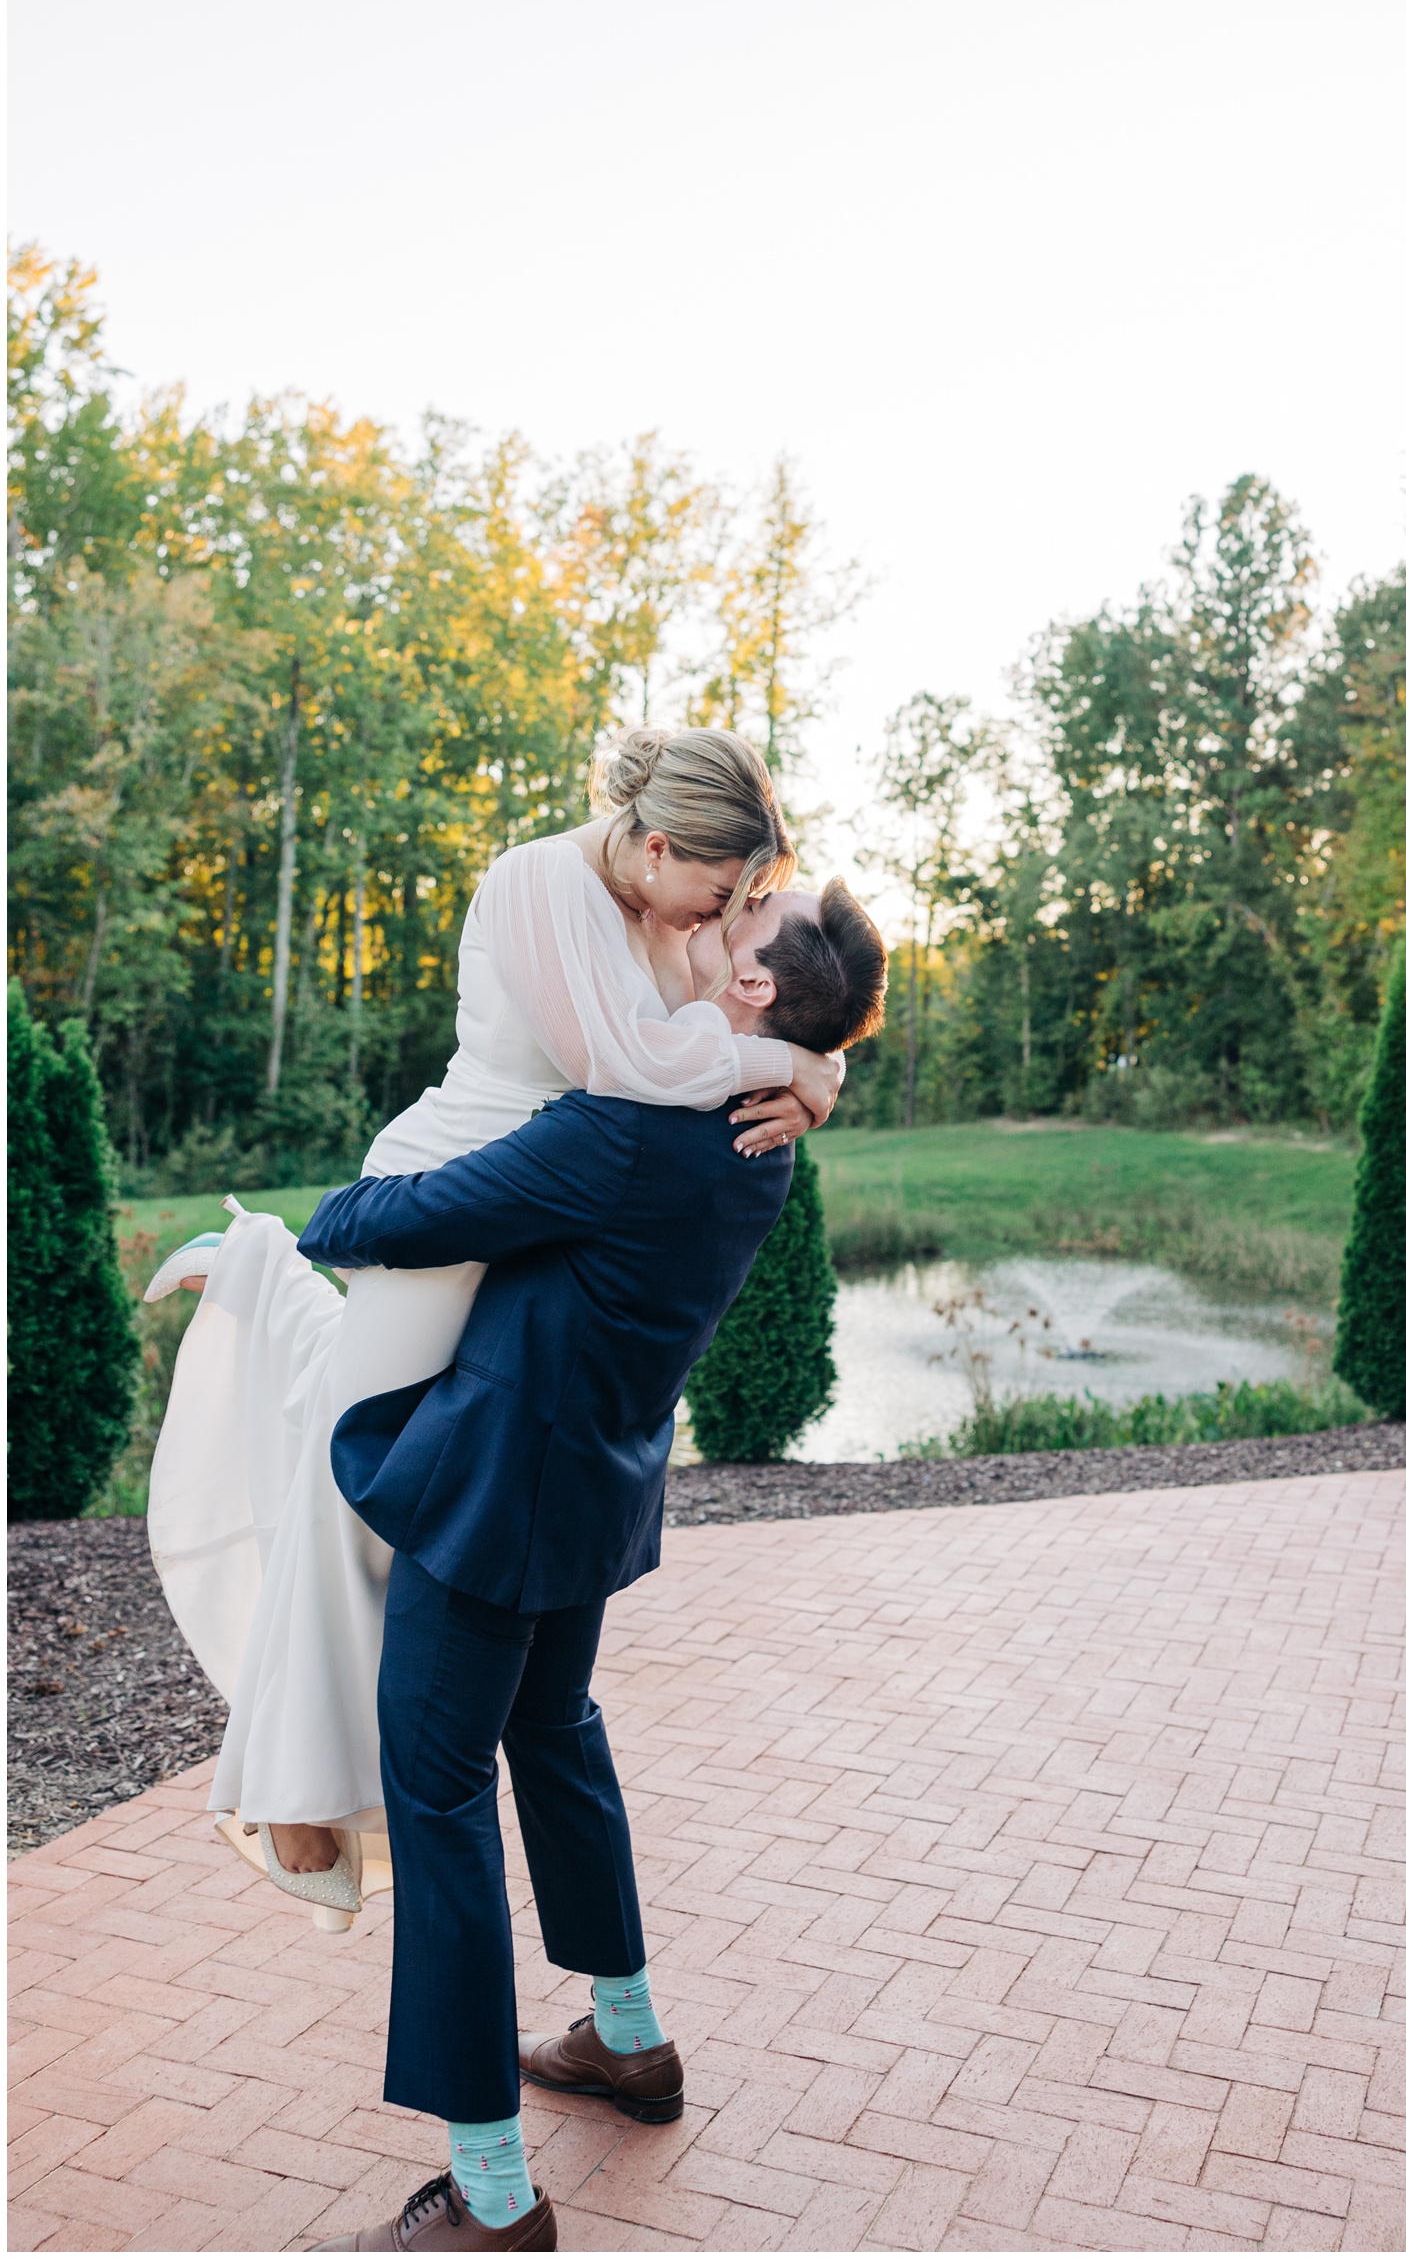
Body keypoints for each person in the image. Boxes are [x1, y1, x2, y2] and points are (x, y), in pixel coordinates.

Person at [143, 730, 857, 1916]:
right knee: (348, 1458)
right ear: (664, 843)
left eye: (740, 906)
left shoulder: (667, 916)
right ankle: (293, 1777)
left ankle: (257, 1273)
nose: (720, 917)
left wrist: (811, 1063)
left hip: (547, 1213)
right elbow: (623, 1064)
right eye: (720, 890)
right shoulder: (536, 879)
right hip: (454, 1193)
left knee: (418, 1469)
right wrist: (799, 1058)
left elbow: (712, 1040)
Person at [292, 1077, 802, 2251]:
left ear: (763, 985)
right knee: (554, 1730)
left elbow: (388, 1220)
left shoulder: (620, 1127)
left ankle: (490, 2184)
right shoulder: (766, 1134)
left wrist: (327, 1211)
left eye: (744, 935)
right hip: (593, 1485)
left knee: (437, 1789)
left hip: (494, 1492)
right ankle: (626, 2033)